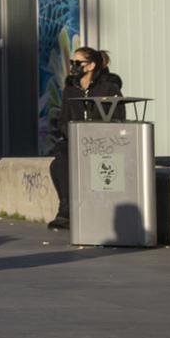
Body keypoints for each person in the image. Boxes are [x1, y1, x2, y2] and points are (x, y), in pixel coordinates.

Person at [48, 47, 123, 229]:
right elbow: (64, 120)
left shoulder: (109, 88)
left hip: (102, 143)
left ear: (90, 66)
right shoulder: (70, 90)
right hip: (75, 141)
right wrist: (74, 135)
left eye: (77, 63)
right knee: (59, 163)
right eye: (72, 62)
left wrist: (96, 136)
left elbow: (119, 116)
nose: (73, 66)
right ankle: (66, 210)